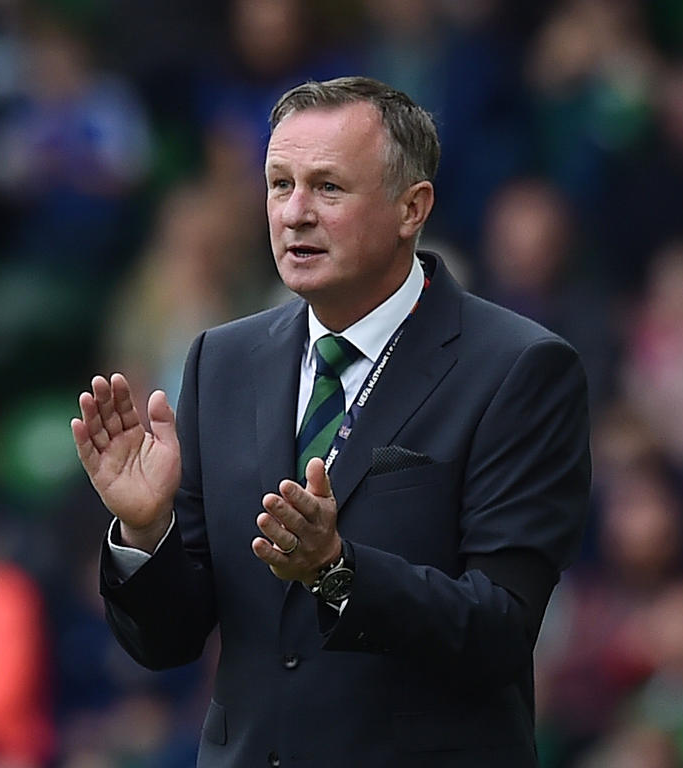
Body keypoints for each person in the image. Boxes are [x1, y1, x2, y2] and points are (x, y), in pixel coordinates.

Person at [71, 76, 590, 767]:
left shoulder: (519, 368)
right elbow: (169, 642)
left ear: (412, 208)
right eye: (280, 184)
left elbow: (499, 629)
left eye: (328, 188)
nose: (295, 213)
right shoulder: (221, 360)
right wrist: (144, 529)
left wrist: (338, 572)